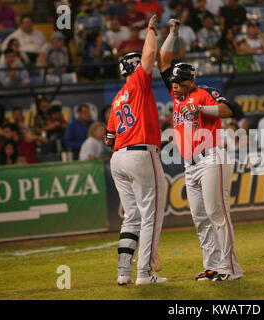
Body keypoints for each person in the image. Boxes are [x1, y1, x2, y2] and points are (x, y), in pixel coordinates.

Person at [158, 19, 243, 281]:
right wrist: (173, 34)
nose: (174, 86)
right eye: (173, 83)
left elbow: (231, 110)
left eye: (180, 83)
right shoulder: (177, 95)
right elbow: (163, 59)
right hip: (190, 163)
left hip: (212, 157)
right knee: (200, 218)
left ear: (191, 80)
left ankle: (230, 268)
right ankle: (213, 266)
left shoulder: (205, 92)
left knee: (217, 213)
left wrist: (200, 108)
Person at [104, 15, 167, 286]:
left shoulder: (117, 98)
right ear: (134, 66)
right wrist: (151, 28)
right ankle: (145, 273)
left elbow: (109, 137)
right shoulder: (138, 83)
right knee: (150, 214)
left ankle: (123, 273)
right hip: (141, 153)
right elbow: (151, 51)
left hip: (118, 157)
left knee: (131, 216)